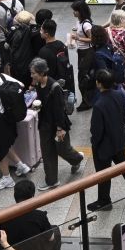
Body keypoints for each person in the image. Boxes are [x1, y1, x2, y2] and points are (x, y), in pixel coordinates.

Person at [88, 69, 125, 211]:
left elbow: (96, 130)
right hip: (118, 139)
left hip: (104, 145)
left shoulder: (99, 105)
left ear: (99, 84)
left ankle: (104, 200)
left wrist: (94, 142)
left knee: (103, 173)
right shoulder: (119, 95)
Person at [29, 57, 84, 190]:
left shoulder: (55, 87)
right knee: (47, 151)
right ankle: (51, 180)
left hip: (58, 125)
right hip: (45, 124)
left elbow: (59, 110)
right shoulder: (38, 85)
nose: (32, 76)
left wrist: (59, 129)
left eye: (33, 73)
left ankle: (76, 159)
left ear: (42, 73)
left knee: (62, 149)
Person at [0, 56, 34, 190]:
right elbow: (21, 85)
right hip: (9, 117)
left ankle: (7, 178)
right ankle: (21, 166)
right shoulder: (3, 76)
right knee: (5, 145)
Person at [0, 180, 55, 245]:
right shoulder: (40, 215)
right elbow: (51, 238)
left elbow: (1, 237)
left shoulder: (3, 217)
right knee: (55, 230)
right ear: (32, 196)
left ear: (15, 196)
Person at [70, 0, 97, 110]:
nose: (74, 13)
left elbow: (92, 39)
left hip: (87, 52)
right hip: (81, 51)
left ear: (81, 11)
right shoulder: (79, 21)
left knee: (83, 77)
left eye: (75, 10)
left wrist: (78, 38)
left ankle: (87, 102)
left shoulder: (86, 24)